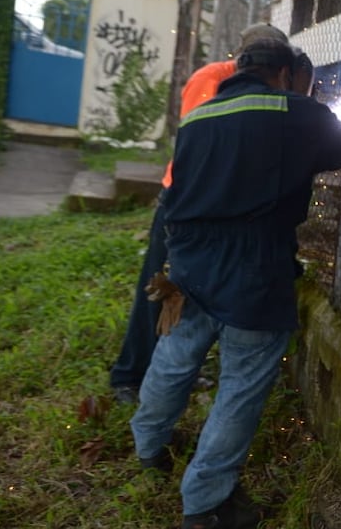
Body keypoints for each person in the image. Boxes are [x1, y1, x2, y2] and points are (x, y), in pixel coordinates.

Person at [130, 38, 341, 529]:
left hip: (191, 259)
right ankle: (205, 508)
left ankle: (148, 444)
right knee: (239, 387)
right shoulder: (297, 111)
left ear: (237, 68)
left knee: (176, 354)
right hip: (253, 266)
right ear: (285, 73)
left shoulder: (200, 116)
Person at [108, 23, 290, 404]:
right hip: (184, 203)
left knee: (195, 295)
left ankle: (174, 373)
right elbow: (204, 144)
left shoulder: (272, 89)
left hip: (217, 209)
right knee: (160, 286)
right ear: (242, 57)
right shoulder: (211, 79)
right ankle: (129, 374)